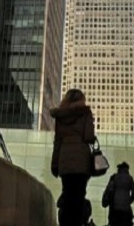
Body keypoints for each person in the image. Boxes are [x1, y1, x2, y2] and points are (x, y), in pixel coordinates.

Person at [50, 88, 96, 226]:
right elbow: (89, 137)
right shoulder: (85, 112)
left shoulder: (60, 116)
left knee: (67, 195)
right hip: (82, 162)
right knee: (79, 197)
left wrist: (55, 164)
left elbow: (57, 142)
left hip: (65, 161)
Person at [102, 161, 134, 226]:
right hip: (126, 210)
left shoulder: (114, 177)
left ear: (119, 169)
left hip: (115, 210)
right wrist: (129, 201)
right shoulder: (130, 178)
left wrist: (106, 200)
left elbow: (109, 190)